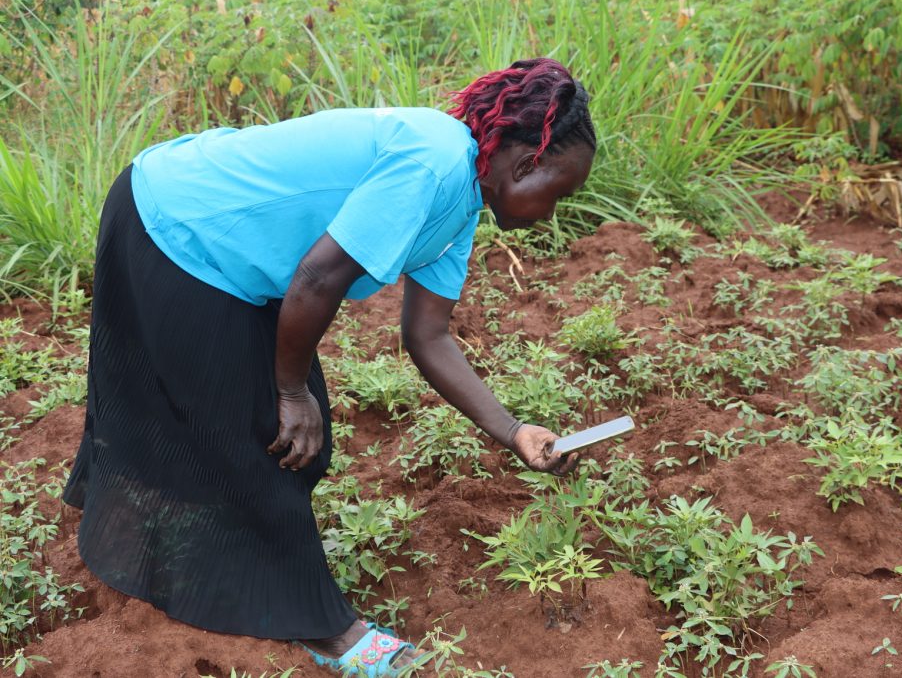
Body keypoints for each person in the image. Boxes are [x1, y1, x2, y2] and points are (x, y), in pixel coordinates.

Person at [61, 58, 596, 676]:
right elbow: (318, 277)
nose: (551, 214)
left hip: (228, 253)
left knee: (297, 440)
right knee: (266, 428)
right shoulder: (435, 160)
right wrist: (288, 392)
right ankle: (329, 629)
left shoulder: (460, 205)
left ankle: (153, 532)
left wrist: (513, 431)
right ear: (527, 164)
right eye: (557, 194)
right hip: (178, 226)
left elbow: (428, 335)